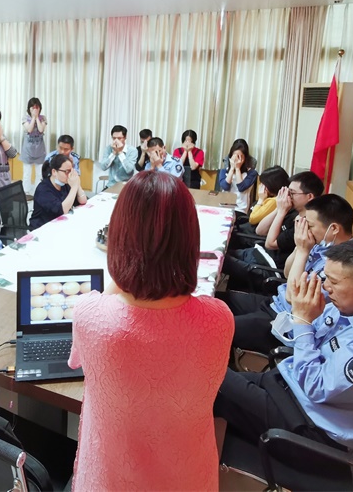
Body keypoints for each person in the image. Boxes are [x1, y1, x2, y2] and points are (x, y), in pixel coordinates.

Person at [68, 171, 233, 491]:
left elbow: (77, 360)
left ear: (117, 238)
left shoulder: (90, 316)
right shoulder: (219, 319)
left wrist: (128, 269)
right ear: (191, 241)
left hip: (109, 482)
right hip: (188, 479)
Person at [214, 240, 353, 460]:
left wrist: (303, 322)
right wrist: (299, 313)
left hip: (308, 426)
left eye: (333, 281)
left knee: (206, 382)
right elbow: (293, 338)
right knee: (208, 378)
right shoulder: (350, 309)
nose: (326, 287)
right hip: (288, 387)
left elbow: (315, 387)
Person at [225, 194, 353, 356]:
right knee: (216, 303)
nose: (306, 229)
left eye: (310, 225)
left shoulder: (343, 265)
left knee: (218, 329)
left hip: (285, 324)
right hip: (275, 304)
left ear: (333, 228)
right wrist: (299, 248)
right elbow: (287, 273)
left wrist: (303, 251)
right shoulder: (321, 245)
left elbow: (291, 297)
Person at [223, 170, 324, 293]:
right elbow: (260, 230)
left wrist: (281, 211)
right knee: (220, 253)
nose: (288, 196)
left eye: (292, 193)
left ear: (309, 197)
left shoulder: (305, 224)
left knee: (220, 260)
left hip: (269, 267)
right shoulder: (292, 210)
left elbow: (270, 244)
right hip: (259, 254)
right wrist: (279, 208)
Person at [228, 165, 290, 250]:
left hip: (250, 236)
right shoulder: (272, 198)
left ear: (272, 185)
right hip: (247, 230)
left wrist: (260, 199)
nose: (261, 186)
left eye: (263, 184)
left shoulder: (274, 201)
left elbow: (253, 219)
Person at [29, 153, 87, 230]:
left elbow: (82, 201)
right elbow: (62, 210)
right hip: (42, 228)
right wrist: (74, 187)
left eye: (71, 171)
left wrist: (77, 184)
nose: (70, 175)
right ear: (54, 172)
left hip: (59, 225)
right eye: (67, 171)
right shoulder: (43, 190)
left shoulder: (65, 184)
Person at [217, 138, 258, 218]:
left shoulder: (251, 173)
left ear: (245, 158)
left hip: (240, 210)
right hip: (225, 207)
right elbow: (225, 187)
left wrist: (238, 168)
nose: (236, 159)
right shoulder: (224, 171)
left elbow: (241, 187)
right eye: (234, 156)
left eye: (240, 156)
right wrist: (232, 168)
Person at [20, 97, 47, 195]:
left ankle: (37, 191)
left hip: (39, 150)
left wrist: (37, 118)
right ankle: (26, 192)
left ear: (40, 108)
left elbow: (41, 129)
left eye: (37, 107)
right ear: (29, 109)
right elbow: (29, 129)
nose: (35, 110)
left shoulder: (43, 118)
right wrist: (33, 118)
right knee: (27, 173)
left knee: (39, 173)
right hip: (28, 150)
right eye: (33, 108)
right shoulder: (25, 118)